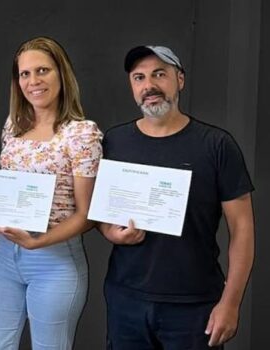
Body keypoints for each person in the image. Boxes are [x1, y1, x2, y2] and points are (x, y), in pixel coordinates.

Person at [99, 45, 255, 349]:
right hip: (126, 300)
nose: (149, 86)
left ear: (179, 79)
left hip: (195, 306)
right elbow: (97, 211)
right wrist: (109, 232)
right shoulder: (114, 142)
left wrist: (231, 303)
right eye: (139, 77)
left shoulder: (217, 145)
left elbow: (243, 229)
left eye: (160, 74)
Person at [0, 37, 102, 349]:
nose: (33, 81)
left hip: (53, 258)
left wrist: (37, 241)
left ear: (61, 74)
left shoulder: (81, 134)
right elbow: (12, 192)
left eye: (43, 70)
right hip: (4, 256)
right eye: (24, 74)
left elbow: (88, 214)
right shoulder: (13, 127)